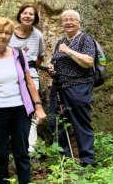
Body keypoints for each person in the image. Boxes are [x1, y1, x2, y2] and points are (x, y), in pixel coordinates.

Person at [0, 17, 46, 184]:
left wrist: (38, 106)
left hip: (20, 110)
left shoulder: (18, 55)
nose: (3, 36)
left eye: (7, 33)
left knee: (22, 152)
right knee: (0, 155)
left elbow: (29, 82)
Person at [48, 10, 96, 166]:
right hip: (59, 88)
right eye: (65, 20)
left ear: (79, 23)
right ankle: (66, 159)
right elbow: (56, 61)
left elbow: (89, 61)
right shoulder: (60, 41)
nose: (68, 22)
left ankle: (87, 160)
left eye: (72, 20)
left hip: (79, 87)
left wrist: (68, 51)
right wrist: (52, 68)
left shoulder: (85, 39)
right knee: (57, 122)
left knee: (81, 122)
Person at [9, 3, 45, 153]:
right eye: (25, 13)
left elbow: (40, 57)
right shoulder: (9, 32)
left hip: (31, 73)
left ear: (35, 18)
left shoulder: (38, 35)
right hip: (11, 73)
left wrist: (31, 66)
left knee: (31, 109)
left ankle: (30, 147)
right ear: (20, 15)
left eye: (31, 14)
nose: (28, 16)